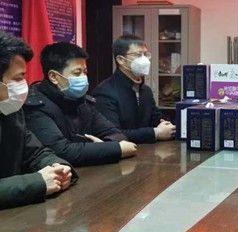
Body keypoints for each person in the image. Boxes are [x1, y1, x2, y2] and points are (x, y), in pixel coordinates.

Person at [24, 42, 137, 167]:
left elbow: (116, 133)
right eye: (77, 73)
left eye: (85, 72)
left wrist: (104, 146)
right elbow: (61, 151)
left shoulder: (83, 102)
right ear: (54, 77)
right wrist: (114, 148)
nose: (84, 77)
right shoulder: (36, 106)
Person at [0, 31, 76, 209]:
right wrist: (37, 182)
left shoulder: (10, 109)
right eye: (18, 78)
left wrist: (57, 167)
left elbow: (35, 152)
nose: (24, 85)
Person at [93, 34, 175, 143]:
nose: (144, 60)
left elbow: (156, 119)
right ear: (121, 60)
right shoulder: (104, 92)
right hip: (122, 152)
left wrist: (166, 125)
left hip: (148, 151)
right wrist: (155, 133)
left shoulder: (145, 90)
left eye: (146, 54)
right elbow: (113, 134)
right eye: (138, 55)